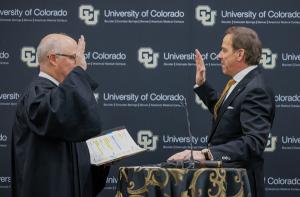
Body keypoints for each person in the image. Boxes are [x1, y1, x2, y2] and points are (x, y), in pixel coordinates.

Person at [168, 26, 275, 197]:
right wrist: (202, 85)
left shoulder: (256, 89)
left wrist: (207, 154)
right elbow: (226, 113)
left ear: (240, 54)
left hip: (240, 187)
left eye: (224, 50)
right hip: (225, 183)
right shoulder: (241, 83)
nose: (219, 56)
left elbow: (253, 142)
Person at [11, 33, 110, 197]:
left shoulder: (61, 96)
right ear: (53, 59)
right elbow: (58, 115)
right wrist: (78, 74)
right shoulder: (36, 94)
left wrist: (101, 163)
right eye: (74, 57)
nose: (81, 64)